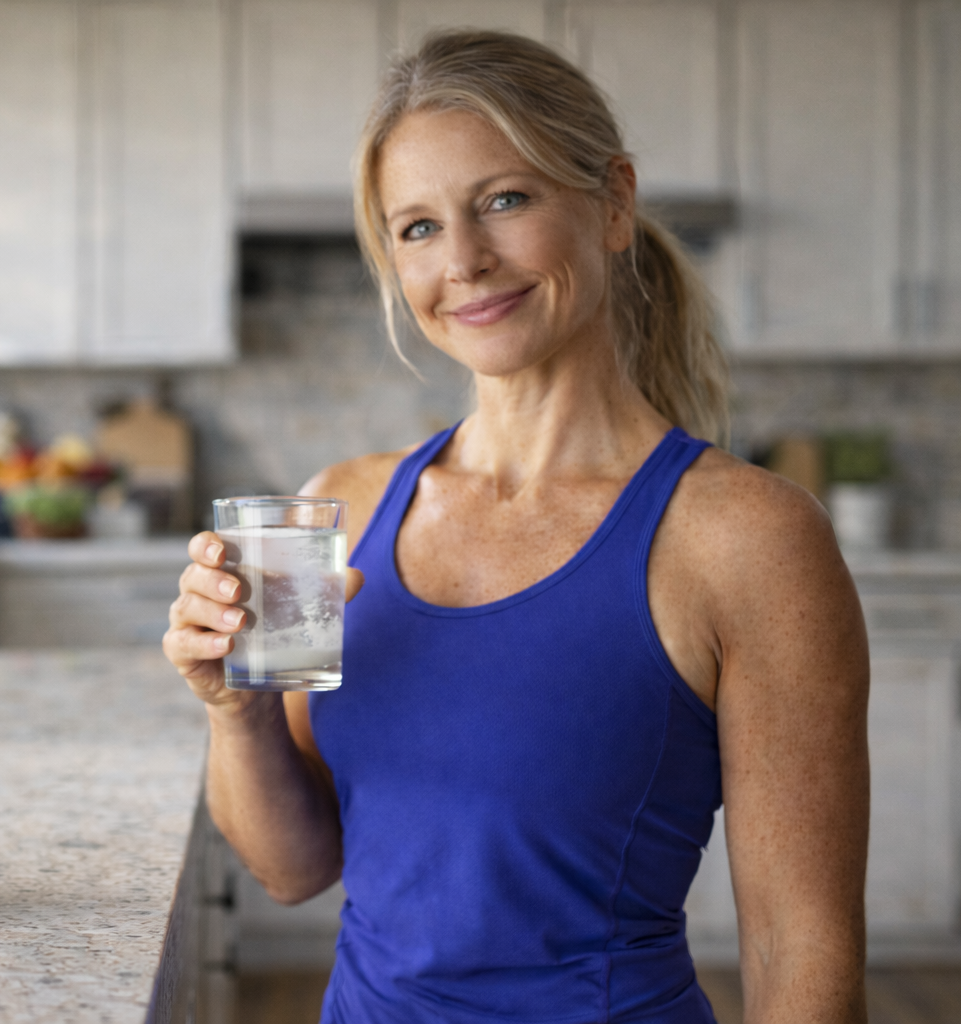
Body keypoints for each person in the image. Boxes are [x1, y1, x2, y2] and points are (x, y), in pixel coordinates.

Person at [163, 30, 869, 1024]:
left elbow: (802, 947)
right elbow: (293, 865)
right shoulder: (343, 506)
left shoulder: (747, 538)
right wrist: (230, 701)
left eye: (505, 200)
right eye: (416, 227)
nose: (463, 261)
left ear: (613, 203)